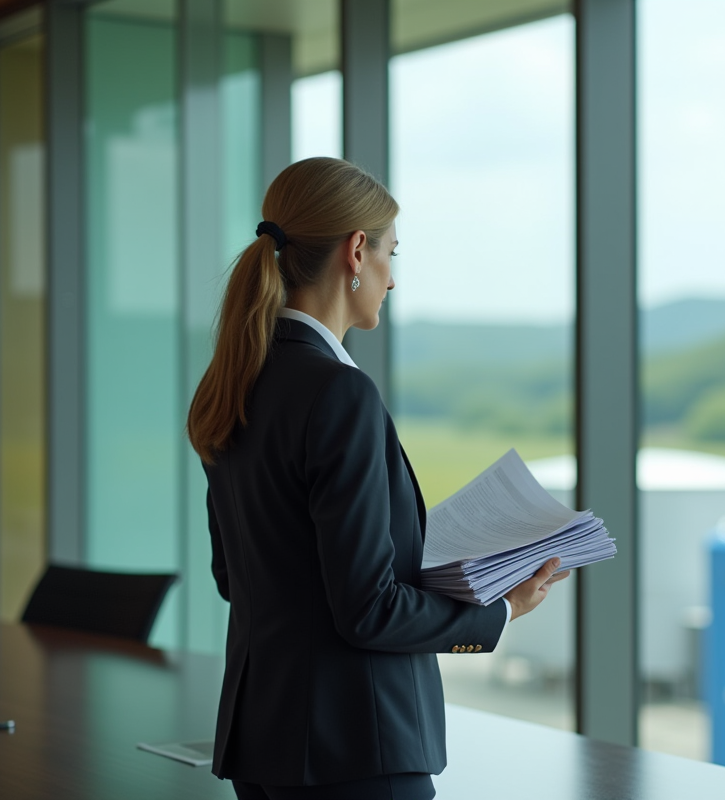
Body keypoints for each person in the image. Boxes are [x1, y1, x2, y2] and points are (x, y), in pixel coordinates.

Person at [187, 157, 568, 800]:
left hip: (263, 744)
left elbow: (236, 577)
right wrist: (500, 608)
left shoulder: (237, 382)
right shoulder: (339, 393)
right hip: (356, 751)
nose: (392, 278)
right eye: (393, 252)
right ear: (356, 251)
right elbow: (369, 610)